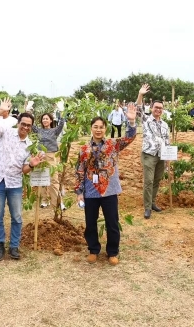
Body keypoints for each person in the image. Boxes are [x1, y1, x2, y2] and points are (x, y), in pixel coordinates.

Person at [75, 103, 137, 266]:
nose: (98, 130)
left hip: (109, 190)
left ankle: (112, 251)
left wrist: (131, 122)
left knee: (112, 222)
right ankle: (93, 249)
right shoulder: (84, 149)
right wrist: (79, 192)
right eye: (95, 127)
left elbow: (129, 138)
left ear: (105, 129)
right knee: (90, 222)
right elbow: (80, 170)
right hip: (91, 190)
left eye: (101, 127)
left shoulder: (113, 145)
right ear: (91, 128)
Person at [0, 98, 44, 262]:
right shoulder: (6, 131)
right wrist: (0, 111)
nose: (25, 127)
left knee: (17, 217)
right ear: (18, 123)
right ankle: (0, 245)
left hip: (15, 183)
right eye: (23, 124)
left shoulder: (30, 145)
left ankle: (14, 246)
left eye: (28, 126)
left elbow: (24, 170)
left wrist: (31, 165)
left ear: (31, 128)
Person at [136, 84, 170, 219]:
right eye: (156, 107)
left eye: (160, 108)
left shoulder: (165, 124)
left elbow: (167, 141)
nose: (158, 110)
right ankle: (147, 207)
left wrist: (168, 157)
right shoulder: (146, 119)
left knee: (156, 180)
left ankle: (153, 203)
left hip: (161, 155)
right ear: (152, 108)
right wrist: (140, 95)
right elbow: (138, 110)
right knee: (149, 181)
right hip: (149, 154)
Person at [32, 101, 66, 208]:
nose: (45, 120)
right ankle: (44, 200)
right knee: (42, 178)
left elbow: (61, 123)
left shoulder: (54, 131)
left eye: (47, 118)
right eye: (43, 119)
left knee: (53, 179)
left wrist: (61, 111)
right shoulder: (38, 130)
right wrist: (29, 110)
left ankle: (57, 202)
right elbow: (31, 124)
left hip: (51, 155)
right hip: (40, 155)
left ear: (51, 120)